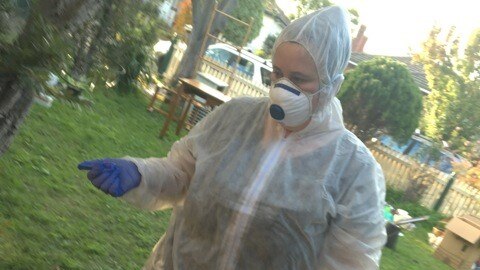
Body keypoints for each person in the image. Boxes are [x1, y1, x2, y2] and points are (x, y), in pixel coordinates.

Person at [78, 6, 387, 270]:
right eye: (277, 73)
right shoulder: (235, 117)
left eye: (298, 79)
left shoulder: (354, 171)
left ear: (332, 85)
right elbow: (181, 174)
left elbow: (350, 263)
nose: (282, 87)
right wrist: (139, 173)